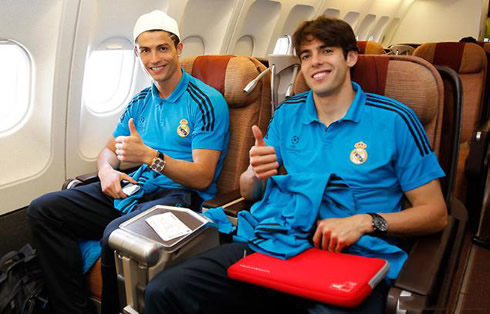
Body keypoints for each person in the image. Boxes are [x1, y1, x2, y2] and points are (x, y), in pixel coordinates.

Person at [142, 16, 448, 314]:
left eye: (327, 50)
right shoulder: (288, 113)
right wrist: (254, 172)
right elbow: (251, 192)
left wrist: (366, 221)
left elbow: (435, 214)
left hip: (354, 255)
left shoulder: (395, 119)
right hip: (280, 241)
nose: (315, 61)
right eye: (306, 55)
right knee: (165, 291)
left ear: (351, 57)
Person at [27, 10, 230, 314]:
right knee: (44, 210)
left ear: (178, 49)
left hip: (180, 199)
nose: (154, 59)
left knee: (116, 236)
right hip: (135, 189)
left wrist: (150, 157)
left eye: (162, 48)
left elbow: (202, 177)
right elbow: (107, 151)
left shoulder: (205, 101)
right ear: (137, 53)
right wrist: (107, 172)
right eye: (145, 50)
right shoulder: (140, 102)